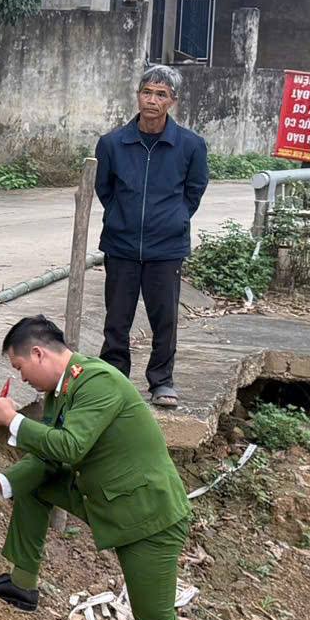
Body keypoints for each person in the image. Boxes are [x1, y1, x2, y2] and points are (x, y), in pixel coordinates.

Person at [0, 315, 191, 620]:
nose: (23, 378)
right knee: (33, 485)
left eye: (20, 368)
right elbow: (51, 459)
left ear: (38, 353)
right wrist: (0, 483)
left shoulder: (98, 382)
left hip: (147, 518)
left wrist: (13, 420)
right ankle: (22, 583)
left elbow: (70, 445)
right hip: (106, 499)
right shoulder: (61, 390)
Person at [93, 65, 209, 409]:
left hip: (166, 247)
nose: (152, 100)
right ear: (138, 95)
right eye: (147, 92)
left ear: (172, 101)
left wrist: (173, 219)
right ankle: (114, 378)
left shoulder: (190, 146)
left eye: (161, 95)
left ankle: (162, 381)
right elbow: (105, 189)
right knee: (117, 317)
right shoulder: (113, 143)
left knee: (164, 318)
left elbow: (194, 190)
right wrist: (120, 217)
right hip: (122, 245)